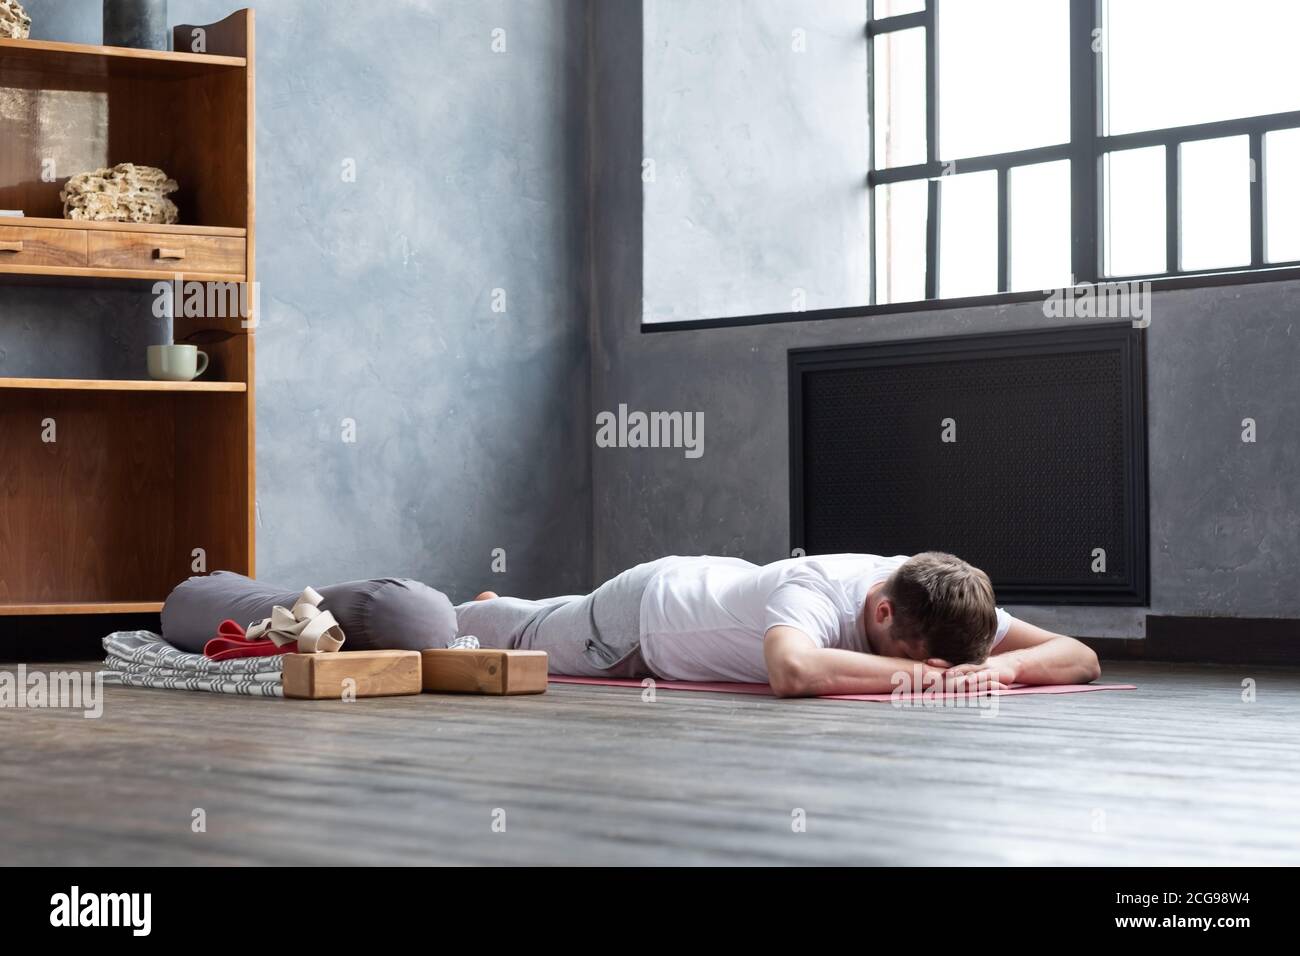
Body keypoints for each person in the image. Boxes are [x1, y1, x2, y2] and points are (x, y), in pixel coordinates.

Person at [454, 551, 1100, 698]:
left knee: (542, 617)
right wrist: (930, 679)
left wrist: (1004, 665)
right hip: (639, 621)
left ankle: (505, 602)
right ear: (880, 611)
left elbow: (1080, 656)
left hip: (706, 588)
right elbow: (792, 672)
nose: (943, 667)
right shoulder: (815, 588)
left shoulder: (943, 599)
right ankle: (475, 607)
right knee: (498, 637)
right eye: (926, 657)